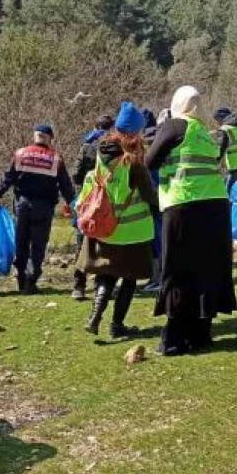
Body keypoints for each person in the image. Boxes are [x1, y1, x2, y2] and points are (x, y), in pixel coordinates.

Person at [146, 87, 237, 355]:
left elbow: (150, 160)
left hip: (183, 205)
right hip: (216, 206)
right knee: (208, 267)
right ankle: (201, 332)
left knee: (178, 268)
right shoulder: (207, 134)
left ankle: (173, 338)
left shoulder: (175, 126)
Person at [77, 103, 158, 338]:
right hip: (133, 231)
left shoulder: (101, 154)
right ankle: (117, 325)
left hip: (105, 228)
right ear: (134, 132)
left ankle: (94, 317)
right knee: (129, 278)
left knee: (107, 274)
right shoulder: (133, 162)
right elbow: (149, 195)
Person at [0, 124, 76, 295]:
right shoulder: (56, 159)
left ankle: (21, 278)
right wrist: (72, 202)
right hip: (44, 207)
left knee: (21, 242)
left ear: (35, 136)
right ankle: (31, 280)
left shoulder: (21, 154)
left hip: (22, 205)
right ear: (50, 138)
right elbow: (65, 184)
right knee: (38, 245)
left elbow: (8, 177)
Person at [71, 115, 116, 301]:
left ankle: (78, 286)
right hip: (109, 202)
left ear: (94, 126)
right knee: (105, 244)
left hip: (88, 201)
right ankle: (102, 285)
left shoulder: (87, 146)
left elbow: (75, 175)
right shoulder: (116, 148)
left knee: (83, 244)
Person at [141, 109, 165, 294]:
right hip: (166, 195)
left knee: (155, 238)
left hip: (153, 198)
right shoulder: (165, 139)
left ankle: (158, 278)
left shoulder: (145, 145)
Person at [213, 107, 237, 189]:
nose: (217, 123)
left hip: (236, 171)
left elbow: (218, 154)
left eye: (217, 120)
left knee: (229, 197)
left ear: (221, 118)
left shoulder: (225, 130)